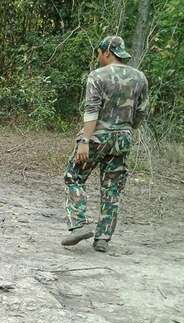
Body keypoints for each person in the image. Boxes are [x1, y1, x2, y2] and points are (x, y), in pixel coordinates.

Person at [61, 36, 149, 252]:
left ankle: (77, 226)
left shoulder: (98, 76)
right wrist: (126, 127)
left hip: (98, 136)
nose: (98, 57)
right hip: (123, 137)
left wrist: (84, 140)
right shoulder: (139, 78)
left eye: (99, 53)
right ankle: (102, 238)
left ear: (107, 52)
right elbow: (141, 112)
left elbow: (91, 111)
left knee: (74, 176)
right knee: (112, 188)